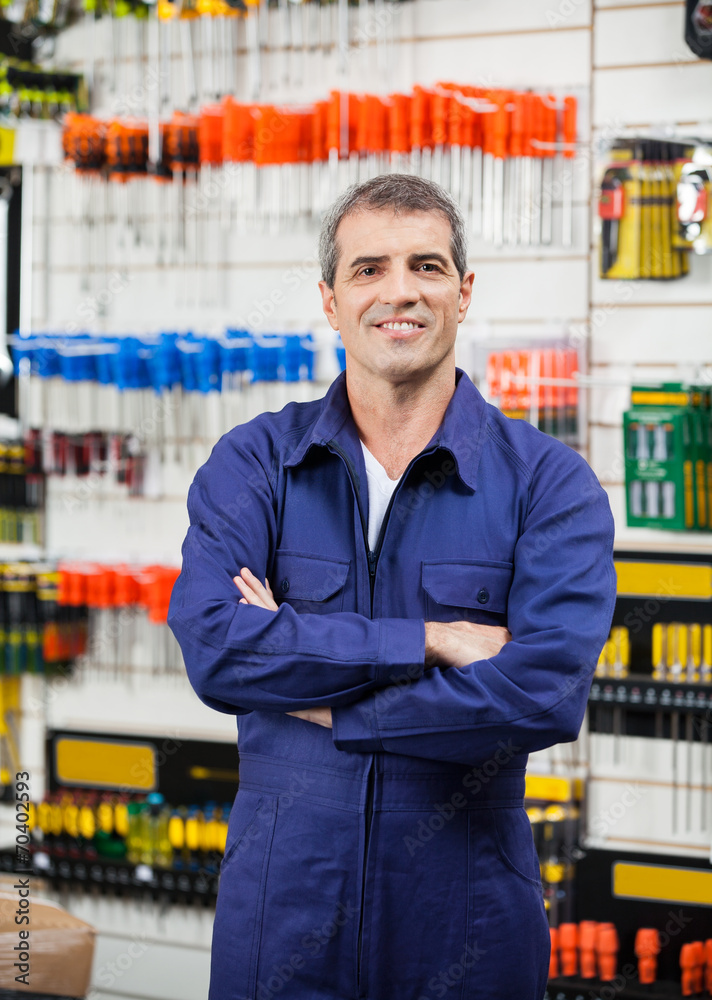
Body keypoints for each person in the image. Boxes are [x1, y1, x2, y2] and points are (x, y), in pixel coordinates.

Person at [168, 173, 616, 1000]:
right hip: (282, 909)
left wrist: (327, 703)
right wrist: (432, 641)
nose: (399, 291)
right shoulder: (257, 463)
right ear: (331, 302)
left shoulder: (549, 485)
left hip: (467, 918)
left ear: (464, 291)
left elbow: (543, 696)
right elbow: (217, 650)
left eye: (427, 266)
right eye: (368, 269)